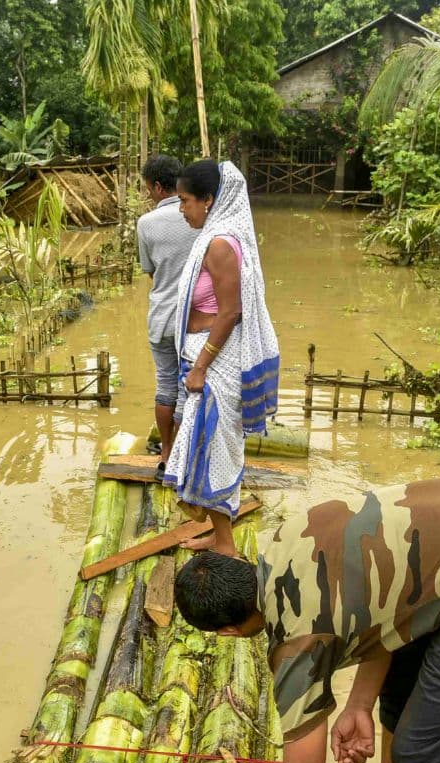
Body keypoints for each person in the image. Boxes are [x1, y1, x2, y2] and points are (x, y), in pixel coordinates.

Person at [173, 478, 440, 763]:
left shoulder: (297, 647)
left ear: (227, 632)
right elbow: (383, 609)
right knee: (398, 699)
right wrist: (359, 704)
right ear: (239, 561)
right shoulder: (286, 537)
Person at [163, 159, 279, 557]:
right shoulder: (214, 237)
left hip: (216, 362)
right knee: (212, 445)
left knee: (215, 447)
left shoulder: (220, 244)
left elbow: (230, 311)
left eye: (186, 201)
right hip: (207, 357)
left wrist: (200, 366)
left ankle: (226, 545)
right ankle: (219, 532)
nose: (181, 209)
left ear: (209, 200)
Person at [138, 155, 200, 479]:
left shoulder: (146, 224)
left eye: (149, 189)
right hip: (196, 320)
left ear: (159, 187)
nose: (149, 194)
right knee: (190, 386)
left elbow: (150, 272)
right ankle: (184, 454)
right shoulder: (202, 215)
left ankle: (165, 452)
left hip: (162, 318)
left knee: (165, 385)